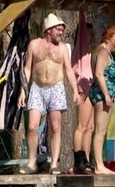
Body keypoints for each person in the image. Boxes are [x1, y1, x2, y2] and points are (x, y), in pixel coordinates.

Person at [18, 13, 80, 175]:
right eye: (58, 30)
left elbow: (68, 70)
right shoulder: (34, 45)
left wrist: (75, 90)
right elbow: (27, 68)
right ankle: (31, 163)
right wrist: (22, 91)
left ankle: (54, 164)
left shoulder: (62, 49)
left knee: (55, 127)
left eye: (61, 30)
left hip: (56, 88)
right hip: (37, 88)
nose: (60, 33)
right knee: (32, 126)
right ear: (49, 30)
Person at [89, 25, 115, 175]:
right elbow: (99, 74)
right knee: (100, 130)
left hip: (103, 94)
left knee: (100, 130)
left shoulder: (102, 51)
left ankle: (99, 164)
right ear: (107, 38)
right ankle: (99, 166)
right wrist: (107, 96)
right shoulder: (103, 52)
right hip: (102, 96)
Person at [71, 20, 95, 174]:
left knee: (90, 127)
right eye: (89, 34)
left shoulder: (90, 51)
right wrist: (79, 89)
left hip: (93, 89)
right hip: (83, 89)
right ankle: (78, 159)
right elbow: (74, 71)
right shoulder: (78, 51)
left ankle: (86, 158)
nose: (92, 37)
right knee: (82, 125)